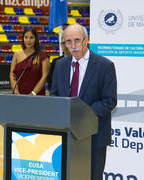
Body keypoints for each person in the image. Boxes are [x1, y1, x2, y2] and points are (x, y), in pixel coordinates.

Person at [50, 24, 117, 180]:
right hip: (66, 136)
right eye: (68, 42)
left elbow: (109, 100)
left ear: (86, 40)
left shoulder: (105, 65)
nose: (73, 46)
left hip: (94, 135)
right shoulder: (60, 65)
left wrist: (82, 114)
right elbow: (54, 96)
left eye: (77, 40)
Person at [10, 27, 50, 95]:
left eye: (31, 38)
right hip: (19, 95)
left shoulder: (43, 55)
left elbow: (45, 76)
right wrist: (16, 91)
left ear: (35, 39)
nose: (28, 40)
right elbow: (12, 74)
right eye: (26, 37)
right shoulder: (16, 55)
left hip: (37, 95)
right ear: (23, 38)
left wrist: (33, 93)